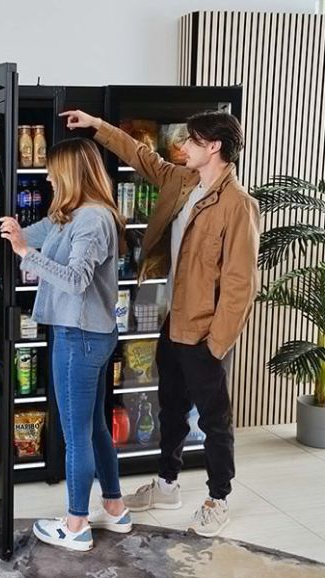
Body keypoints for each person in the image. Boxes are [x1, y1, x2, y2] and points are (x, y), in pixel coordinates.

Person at [60, 109, 260, 537]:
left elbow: (241, 285)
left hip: (205, 333)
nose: (182, 147)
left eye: (191, 141)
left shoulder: (238, 206)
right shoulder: (183, 181)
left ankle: (218, 498)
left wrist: (217, 344)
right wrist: (97, 125)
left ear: (214, 148)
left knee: (213, 420)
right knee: (170, 407)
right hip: (174, 322)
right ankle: (168, 484)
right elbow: (141, 155)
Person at [0, 138, 131, 552]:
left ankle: (75, 525)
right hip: (89, 334)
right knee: (93, 427)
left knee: (75, 436)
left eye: (54, 169)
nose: (47, 175)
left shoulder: (91, 220)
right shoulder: (71, 215)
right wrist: (15, 231)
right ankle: (114, 506)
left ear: (71, 173)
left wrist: (24, 252)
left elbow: (75, 280)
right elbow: (38, 230)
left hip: (79, 338)